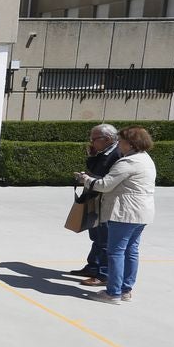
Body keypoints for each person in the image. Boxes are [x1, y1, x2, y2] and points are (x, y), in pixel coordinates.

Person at [75, 125, 157, 305]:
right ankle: (125, 289)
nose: (119, 144)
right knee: (131, 251)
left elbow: (105, 185)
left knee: (116, 252)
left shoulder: (128, 163)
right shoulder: (145, 159)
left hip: (125, 213)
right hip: (142, 213)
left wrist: (85, 179)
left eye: (121, 141)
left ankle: (113, 293)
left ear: (131, 143)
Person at [70, 123, 121, 287]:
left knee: (105, 240)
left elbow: (109, 180)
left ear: (107, 139)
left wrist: (89, 178)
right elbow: (95, 169)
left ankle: (103, 274)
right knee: (96, 237)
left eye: (94, 139)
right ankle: (92, 267)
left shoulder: (117, 154)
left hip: (106, 202)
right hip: (95, 199)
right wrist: (91, 156)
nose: (91, 142)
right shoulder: (103, 152)